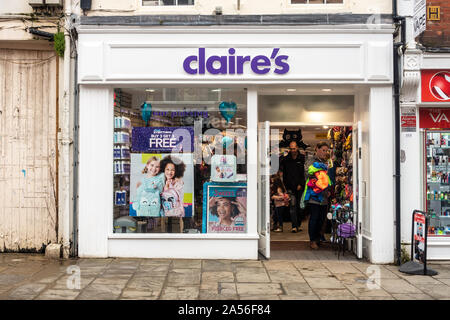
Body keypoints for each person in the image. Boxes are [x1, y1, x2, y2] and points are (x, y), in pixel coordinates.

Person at [302, 141, 332, 250]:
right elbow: (308, 174)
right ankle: (312, 240)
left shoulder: (326, 162)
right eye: (323, 150)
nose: (325, 152)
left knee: (322, 218)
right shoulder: (310, 161)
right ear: (317, 149)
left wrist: (328, 189)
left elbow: (326, 178)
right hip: (313, 195)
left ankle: (318, 238)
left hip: (324, 195)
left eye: (326, 150)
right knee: (314, 217)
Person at [280, 141, 306, 233]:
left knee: (301, 207)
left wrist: (301, 184)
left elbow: (304, 173)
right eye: (291, 149)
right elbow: (284, 175)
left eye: (294, 148)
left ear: (297, 148)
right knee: (293, 206)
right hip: (290, 187)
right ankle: (294, 226)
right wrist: (285, 187)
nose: (292, 150)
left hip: (300, 187)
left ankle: (298, 224)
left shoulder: (302, 158)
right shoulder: (286, 159)